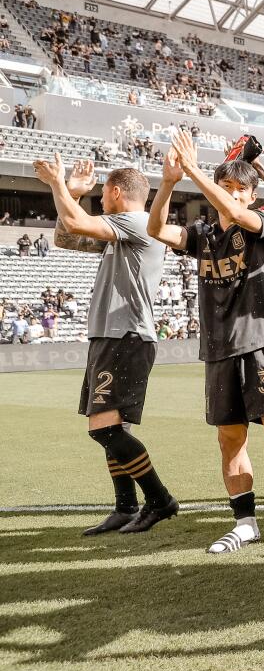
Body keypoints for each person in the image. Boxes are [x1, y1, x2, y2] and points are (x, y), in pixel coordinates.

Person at [147, 129, 264, 554]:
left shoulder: (263, 223)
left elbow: (238, 212)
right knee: (230, 439)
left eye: (237, 189)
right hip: (217, 349)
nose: (229, 195)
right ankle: (245, 522)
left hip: (261, 343)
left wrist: (194, 170)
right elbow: (157, 228)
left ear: (251, 194)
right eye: (223, 187)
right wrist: (171, 181)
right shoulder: (204, 234)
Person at [32, 155, 177, 534]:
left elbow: (77, 222)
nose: (100, 201)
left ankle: (160, 500)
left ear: (115, 192)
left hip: (126, 335)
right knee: (114, 427)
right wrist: (73, 194)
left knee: (104, 428)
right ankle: (126, 507)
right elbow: (65, 237)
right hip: (111, 335)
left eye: (102, 195)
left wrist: (58, 184)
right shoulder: (120, 230)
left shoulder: (138, 222)